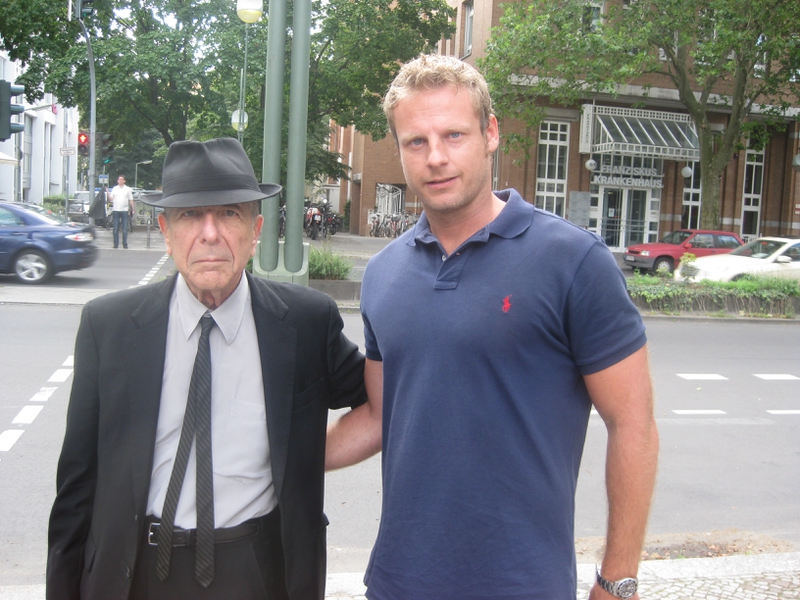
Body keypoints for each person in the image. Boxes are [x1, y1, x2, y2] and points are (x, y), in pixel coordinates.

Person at [326, 54, 659, 600]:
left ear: (491, 134)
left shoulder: (573, 261)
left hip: (522, 585)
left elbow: (634, 424)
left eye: (454, 135)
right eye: (417, 141)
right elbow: (385, 417)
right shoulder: (384, 274)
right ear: (400, 150)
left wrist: (617, 580)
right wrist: (279, 454)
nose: (436, 157)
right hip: (397, 583)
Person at [47, 137, 368, 600]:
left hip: (259, 570)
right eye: (190, 215)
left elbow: (380, 399)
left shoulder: (303, 323)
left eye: (230, 214)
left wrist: (304, 455)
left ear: (256, 228)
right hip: (133, 571)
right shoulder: (110, 326)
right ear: (165, 228)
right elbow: (76, 489)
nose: (210, 233)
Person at [110, 174, 134, 248]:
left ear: (124, 181)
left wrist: (133, 209)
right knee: (115, 228)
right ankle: (115, 244)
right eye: (119, 179)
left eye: (122, 179)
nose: (120, 181)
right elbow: (111, 199)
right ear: (117, 181)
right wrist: (107, 193)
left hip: (124, 210)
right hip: (116, 210)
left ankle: (125, 244)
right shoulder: (115, 188)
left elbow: (131, 200)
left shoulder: (127, 189)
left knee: (125, 228)